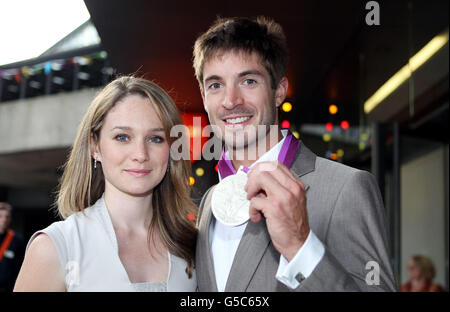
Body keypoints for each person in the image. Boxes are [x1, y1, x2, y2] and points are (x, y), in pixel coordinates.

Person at [192, 16, 397, 291]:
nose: (231, 101)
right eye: (215, 85)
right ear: (204, 97)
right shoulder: (209, 201)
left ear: (279, 92)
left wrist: (300, 247)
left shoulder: (347, 188)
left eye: (249, 81)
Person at [14, 76, 197, 291]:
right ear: (95, 146)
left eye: (155, 139)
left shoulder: (193, 244)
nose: (140, 154)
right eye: (122, 137)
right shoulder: (56, 247)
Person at [0, 202, 25, 291]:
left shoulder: (17, 240)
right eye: (1, 216)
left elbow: (20, 267)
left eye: (7, 217)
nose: (4, 219)